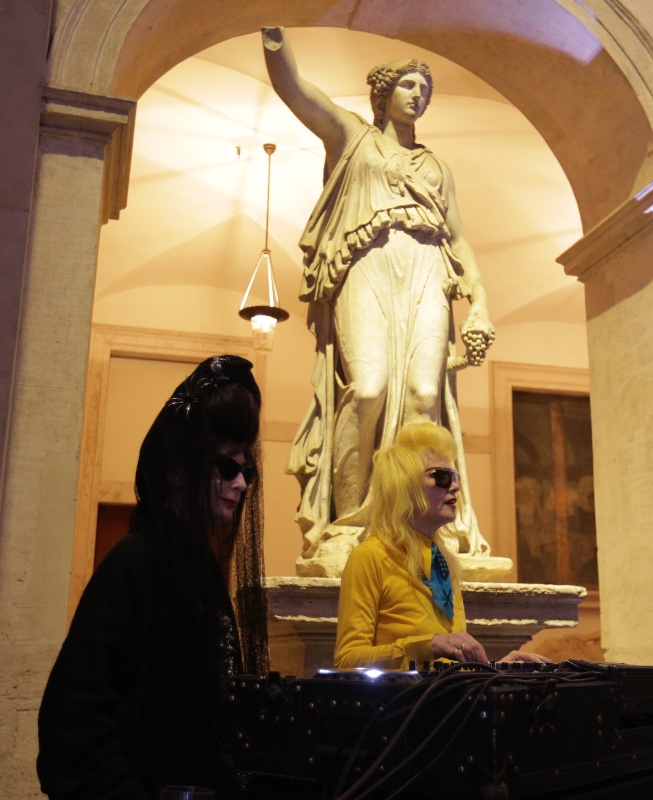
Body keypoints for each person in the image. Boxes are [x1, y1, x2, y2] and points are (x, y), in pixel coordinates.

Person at [262, 27, 496, 574]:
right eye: (408, 85)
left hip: (427, 270)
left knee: (423, 395)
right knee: (368, 388)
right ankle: (350, 526)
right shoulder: (353, 137)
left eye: (425, 89)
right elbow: (294, 88)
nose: (418, 95)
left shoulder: (437, 167)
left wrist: (481, 302)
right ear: (384, 93)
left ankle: (418, 526)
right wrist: (271, 30)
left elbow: (458, 238)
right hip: (365, 265)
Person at [37, 355, 268, 799]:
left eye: (247, 471)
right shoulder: (134, 564)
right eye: (227, 467)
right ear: (178, 471)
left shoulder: (200, 570)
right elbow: (72, 724)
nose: (241, 484)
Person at [334, 422, 549, 669]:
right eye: (442, 477)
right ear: (404, 484)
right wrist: (427, 646)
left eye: (455, 477)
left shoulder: (444, 562)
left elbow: (449, 665)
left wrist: (498, 668)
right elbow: (347, 660)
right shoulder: (369, 557)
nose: (455, 486)